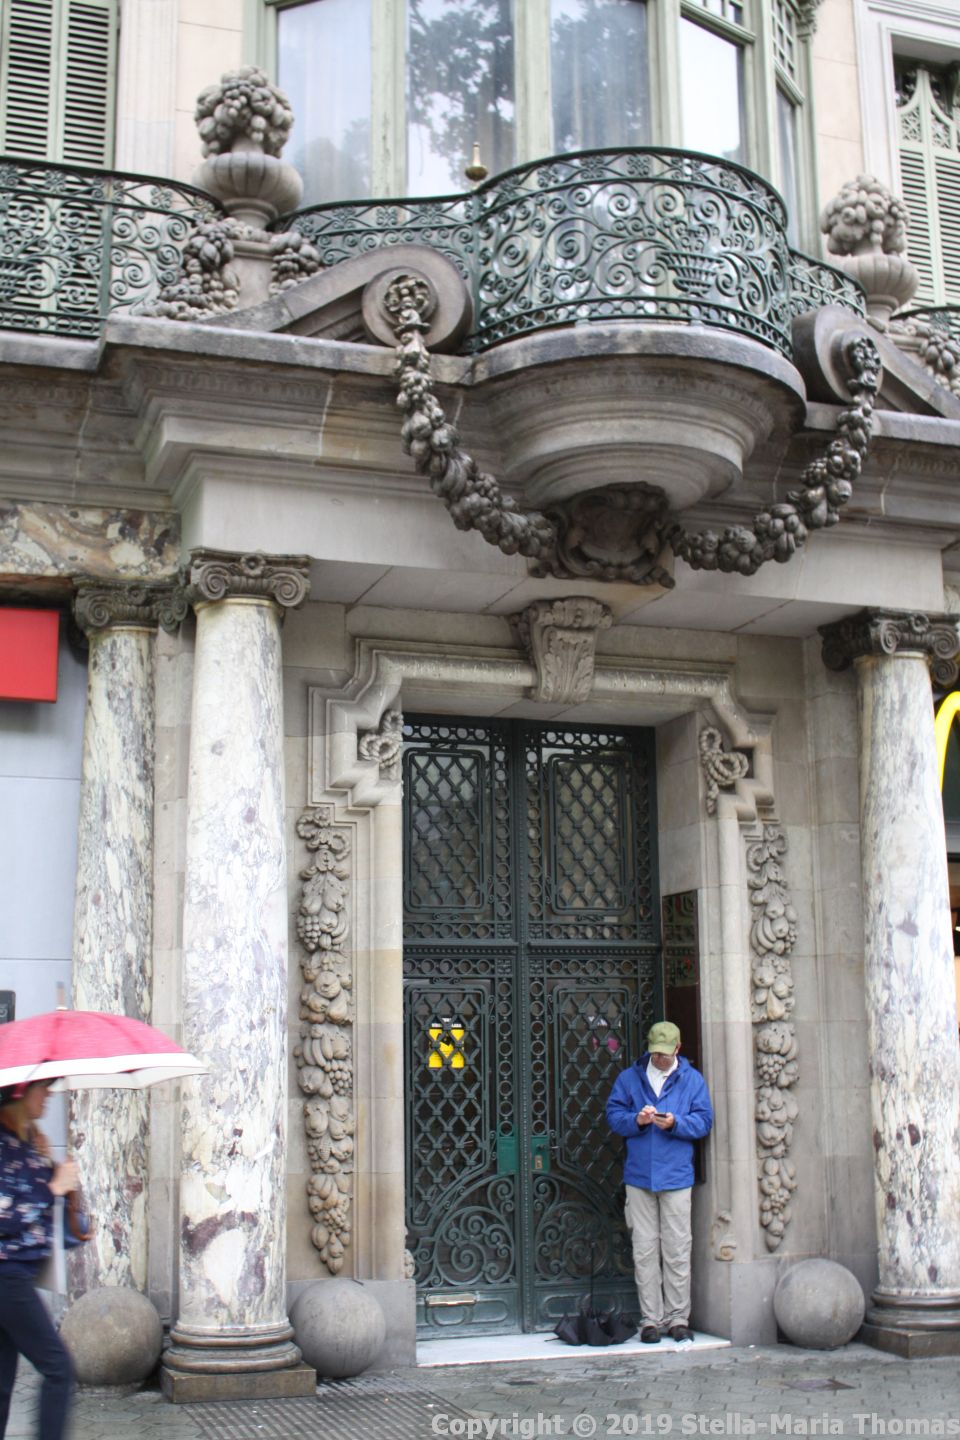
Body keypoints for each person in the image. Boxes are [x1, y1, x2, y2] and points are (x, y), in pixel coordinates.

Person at [605, 1020, 713, 1345]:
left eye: (665, 1054)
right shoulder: (630, 1078)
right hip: (640, 1177)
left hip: (676, 1176)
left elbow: (704, 1121)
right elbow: (614, 1115)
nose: (660, 1059)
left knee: (677, 1249)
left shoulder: (692, 1080)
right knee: (645, 1250)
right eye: (655, 1053)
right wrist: (637, 1120)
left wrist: (676, 1123)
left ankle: (678, 1318)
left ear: (678, 1049)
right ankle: (650, 1320)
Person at [0, 1080, 78, 1440]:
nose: (49, 1095)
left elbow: (39, 1204)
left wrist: (50, 1167)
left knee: (2, 1382)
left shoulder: (24, 1139)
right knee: (59, 1369)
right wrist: (54, 1187)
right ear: (20, 1092)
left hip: (16, 1276)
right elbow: (6, 1217)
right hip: (7, 1277)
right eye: (43, 1088)